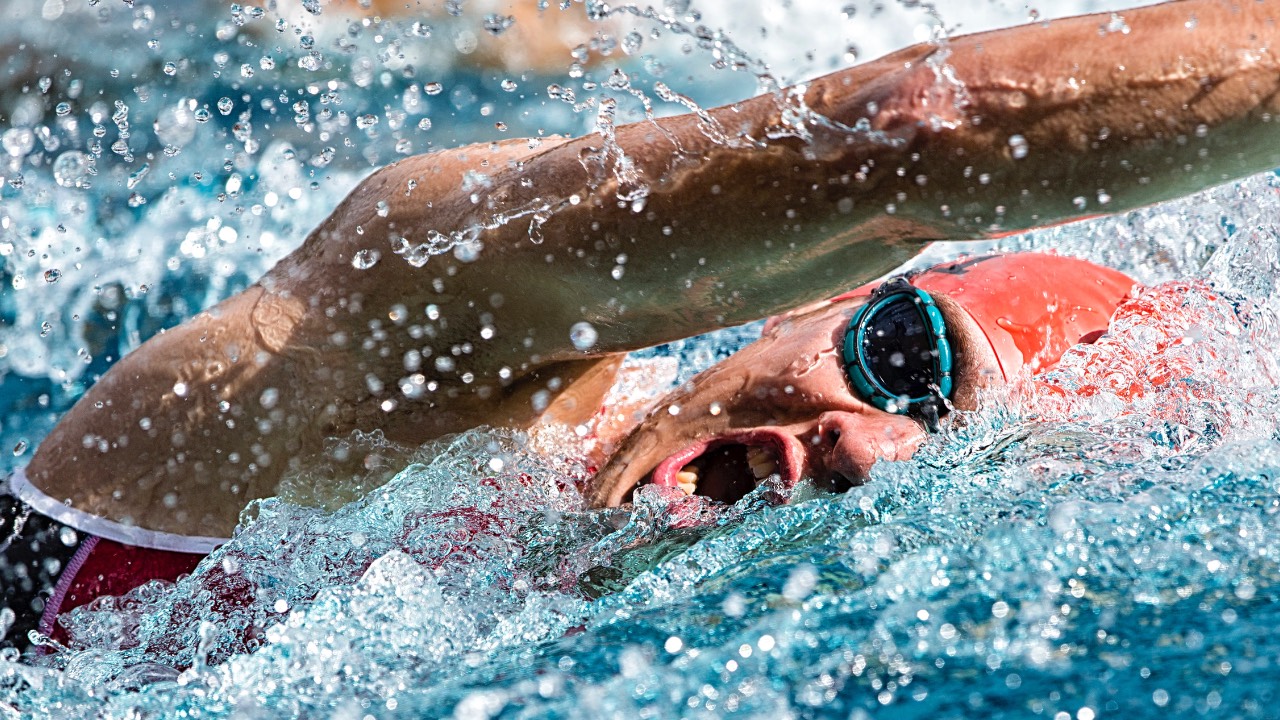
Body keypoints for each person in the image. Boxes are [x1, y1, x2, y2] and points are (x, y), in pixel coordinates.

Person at [5, 0, 1280, 650]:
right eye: (903, 360)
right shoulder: (423, 338)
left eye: (955, 458)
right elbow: (914, 133)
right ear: (819, 292)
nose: (866, 448)